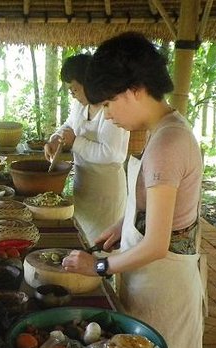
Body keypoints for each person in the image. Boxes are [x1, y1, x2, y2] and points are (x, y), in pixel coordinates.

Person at [60, 32, 206, 348]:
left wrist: (99, 266)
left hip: (165, 285)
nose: (108, 114)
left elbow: (157, 244)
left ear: (136, 90)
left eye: (109, 103)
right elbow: (159, 208)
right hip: (153, 279)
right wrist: (123, 224)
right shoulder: (166, 131)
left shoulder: (168, 145)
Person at [44, 54, 129, 246]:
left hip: (106, 192)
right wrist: (55, 139)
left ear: (90, 83)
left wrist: (75, 143)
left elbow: (111, 153)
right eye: (70, 90)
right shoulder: (80, 105)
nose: (72, 94)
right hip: (83, 185)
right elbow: (69, 125)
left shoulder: (111, 108)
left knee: (104, 245)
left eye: (75, 89)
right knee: (83, 238)